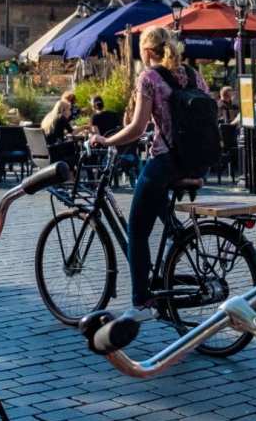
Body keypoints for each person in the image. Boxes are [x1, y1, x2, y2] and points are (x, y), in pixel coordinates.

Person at [87, 25, 209, 323]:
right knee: (158, 212)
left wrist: (106, 140)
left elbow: (138, 127)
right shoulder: (194, 75)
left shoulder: (149, 77)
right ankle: (169, 266)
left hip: (165, 161)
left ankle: (141, 302)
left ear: (146, 51)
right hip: (194, 162)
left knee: (137, 233)